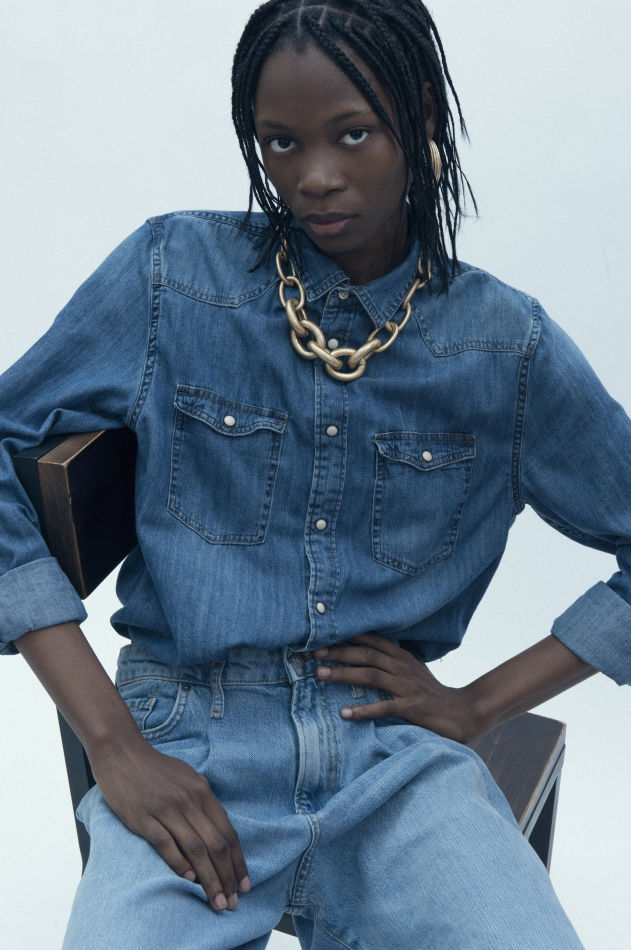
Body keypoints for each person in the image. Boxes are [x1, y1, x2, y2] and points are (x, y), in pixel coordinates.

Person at [0, 1, 629, 947]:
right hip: (187, 734)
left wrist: (477, 704)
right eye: (280, 143)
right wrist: (113, 744)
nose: (314, 178)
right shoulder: (175, 276)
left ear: (419, 117)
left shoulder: (503, 345)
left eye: (352, 133)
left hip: (395, 758)